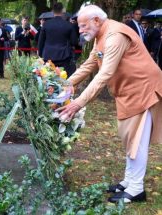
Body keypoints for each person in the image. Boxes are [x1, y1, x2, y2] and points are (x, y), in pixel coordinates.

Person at [57, 5, 162, 204]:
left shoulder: (114, 36)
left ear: (96, 20)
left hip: (142, 90)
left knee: (136, 140)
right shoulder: (102, 36)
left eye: (83, 25)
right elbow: (89, 65)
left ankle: (137, 189)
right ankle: (129, 181)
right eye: (79, 26)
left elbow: (104, 74)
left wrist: (78, 103)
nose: (80, 30)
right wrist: (64, 85)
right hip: (129, 92)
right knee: (129, 138)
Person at [38, 2, 78, 76]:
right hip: (64, 57)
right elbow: (74, 42)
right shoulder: (69, 25)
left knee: (49, 79)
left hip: (48, 56)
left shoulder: (46, 24)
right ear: (63, 11)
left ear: (53, 11)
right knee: (63, 79)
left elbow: (41, 42)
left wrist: (41, 55)